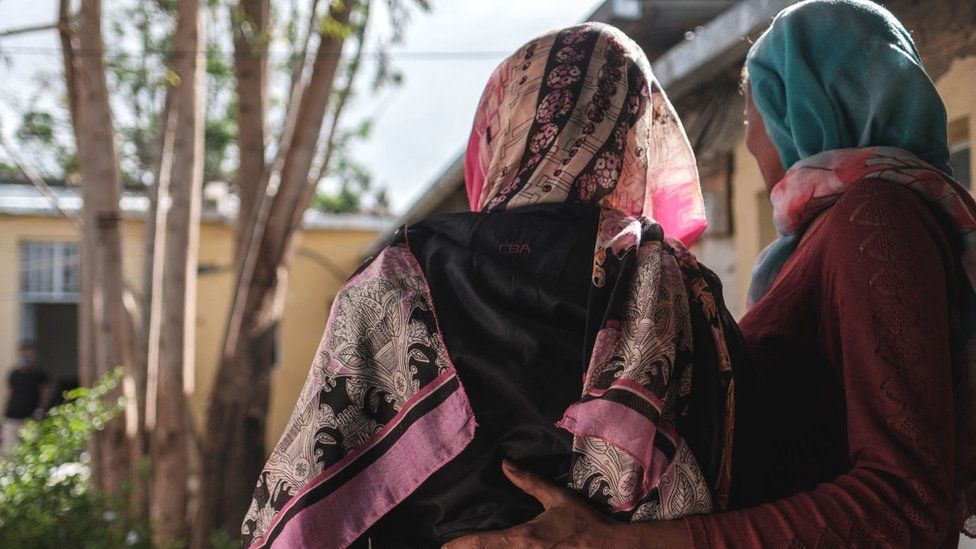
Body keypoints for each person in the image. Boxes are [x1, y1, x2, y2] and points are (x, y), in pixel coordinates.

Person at [447, 1, 976, 547]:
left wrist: (614, 542)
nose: (750, 142)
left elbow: (906, 506)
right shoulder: (822, 242)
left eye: (754, 115)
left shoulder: (876, 216)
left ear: (805, 106)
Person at [242, 23, 752, 548]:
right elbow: (742, 491)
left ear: (503, 125)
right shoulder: (678, 290)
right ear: (639, 136)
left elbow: (301, 520)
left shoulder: (398, 278)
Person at [1, 341, 50, 456]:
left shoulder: (40, 374)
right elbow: (10, 393)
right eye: (23, 353)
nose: (25, 357)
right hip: (12, 416)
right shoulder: (14, 373)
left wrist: (40, 410)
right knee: (9, 451)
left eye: (29, 354)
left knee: (29, 451)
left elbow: (45, 393)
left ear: (34, 355)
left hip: (29, 418)